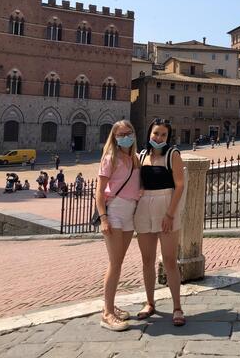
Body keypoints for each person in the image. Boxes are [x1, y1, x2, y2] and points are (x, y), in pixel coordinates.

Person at [134, 118, 187, 327]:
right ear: (149, 133)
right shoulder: (142, 156)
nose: (159, 138)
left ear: (168, 137)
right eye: (156, 133)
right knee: (147, 260)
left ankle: (177, 307)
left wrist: (170, 214)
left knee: (170, 260)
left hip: (166, 207)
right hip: (143, 208)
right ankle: (149, 303)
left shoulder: (173, 155)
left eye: (163, 135)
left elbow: (180, 186)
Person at [94, 120, 141, 331]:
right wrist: (103, 218)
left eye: (128, 133)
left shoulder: (136, 159)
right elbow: (99, 191)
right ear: (114, 138)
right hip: (113, 213)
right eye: (121, 134)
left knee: (119, 263)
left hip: (129, 214)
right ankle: (107, 313)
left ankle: (111, 305)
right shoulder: (109, 158)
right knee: (114, 264)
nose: (125, 137)